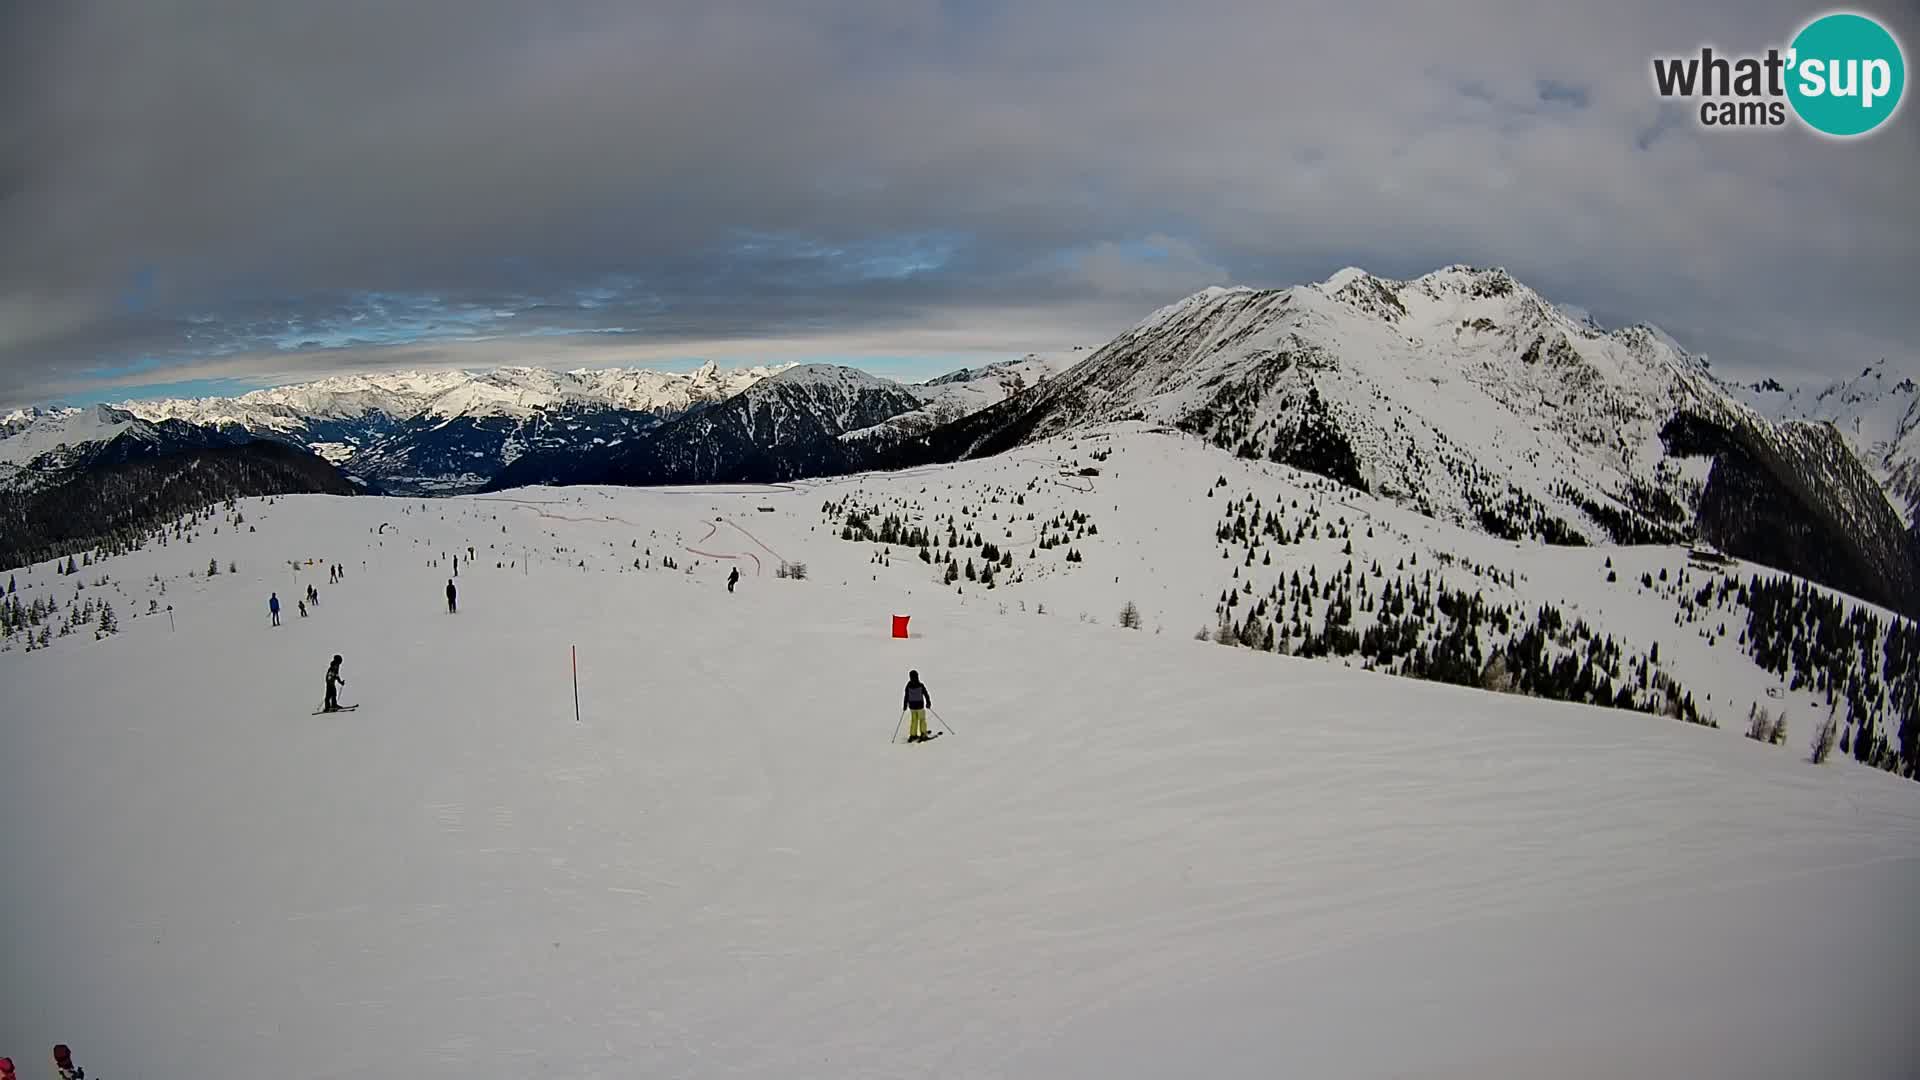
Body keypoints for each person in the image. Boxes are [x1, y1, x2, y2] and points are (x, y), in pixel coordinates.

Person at [903, 670, 933, 742]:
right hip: (920, 706)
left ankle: (913, 734)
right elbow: (926, 694)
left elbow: (906, 696)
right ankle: (923, 734)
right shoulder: (920, 685)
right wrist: (928, 703)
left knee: (914, 720)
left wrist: (905, 705)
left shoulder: (908, 685)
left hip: (912, 707)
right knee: (922, 720)